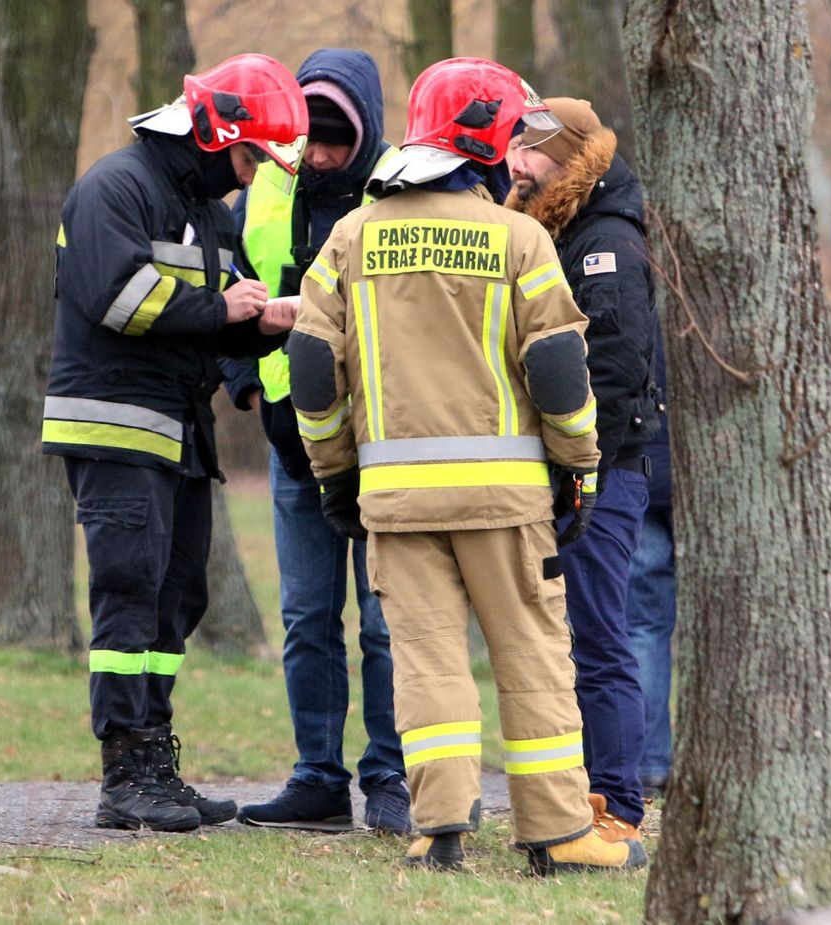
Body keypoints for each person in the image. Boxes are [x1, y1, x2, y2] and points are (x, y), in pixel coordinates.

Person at [288, 57, 646, 875]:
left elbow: (311, 364)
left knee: (425, 663)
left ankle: (437, 829)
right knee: (533, 658)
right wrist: (580, 466)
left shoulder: (351, 235)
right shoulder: (517, 237)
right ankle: (559, 834)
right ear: (486, 138)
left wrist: (335, 471)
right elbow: (559, 367)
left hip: (393, 500)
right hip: (506, 501)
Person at [41, 54, 307, 832]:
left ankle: (153, 755)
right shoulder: (114, 188)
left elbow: (222, 314)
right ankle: (123, 770)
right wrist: (221, 310)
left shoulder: (209, 211)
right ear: (216, 132)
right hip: (115, 423)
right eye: (251, 155)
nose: (253, 174)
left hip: (179, 430)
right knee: (128, 586)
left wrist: (263, 325)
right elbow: (115, 296)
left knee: (176, 591)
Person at [221, 48, 410, 835]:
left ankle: (391, 777)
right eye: (312, 137)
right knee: (306, 617)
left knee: (383, 620)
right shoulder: (267, 179)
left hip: (381, 444)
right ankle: (317, 779)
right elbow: (229, 279)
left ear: (364, 134)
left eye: (336, 139)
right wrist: (240, 376)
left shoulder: (405, 186)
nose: (321, 154)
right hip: (290, 435)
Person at [505, 98, 663, 841]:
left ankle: (618, 803)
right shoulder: (555, 231)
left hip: (602, 469)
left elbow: (614, 364)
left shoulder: (606, 240)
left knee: (600, 637)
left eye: (531, 152)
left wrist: (578, 467)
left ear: (570, 158)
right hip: (563, 468)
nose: (516, 163)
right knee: (565, 638)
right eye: (512, 148)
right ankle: (579, 795)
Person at [625, 339, 674, 800]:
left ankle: (649, 763)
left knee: (644, 625)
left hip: (647, 475)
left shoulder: (621, 275)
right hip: (707, 476)